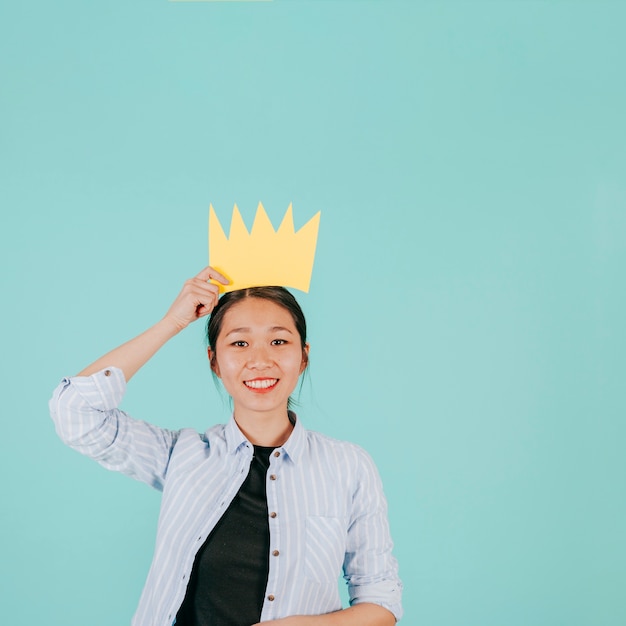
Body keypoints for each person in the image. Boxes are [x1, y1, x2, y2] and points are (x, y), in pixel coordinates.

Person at [49, 266, 403, 626]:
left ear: (304, 356)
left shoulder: (349, 467)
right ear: (214, 361)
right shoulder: (181, 456)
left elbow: (381, 602)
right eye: (239, 343)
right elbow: (75, 411)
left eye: (279, 341)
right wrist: (171, 323)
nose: (260, 360)